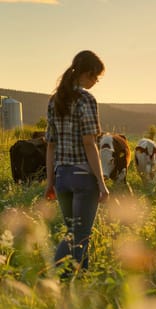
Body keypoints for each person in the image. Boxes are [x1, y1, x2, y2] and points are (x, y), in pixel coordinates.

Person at [44, 50, 109, 275]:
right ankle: (50, 278)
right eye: (95, 77)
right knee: (79, 234)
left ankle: (81, 283)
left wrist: (50, 182)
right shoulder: (85, 99)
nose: (95, 82)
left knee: (78, 232)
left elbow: (50, 145)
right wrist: (101, 182)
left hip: (62, 178)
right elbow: (89, 143)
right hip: (83, 178)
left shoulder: (55, 101)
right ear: (87, 73)